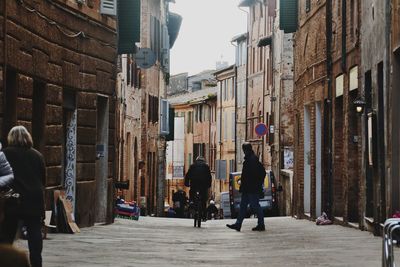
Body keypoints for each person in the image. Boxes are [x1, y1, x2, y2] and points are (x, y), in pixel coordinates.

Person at [0, 126, 46, 267]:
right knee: (34, 231)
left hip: (14, 199)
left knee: (7, 233)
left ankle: (5, 260)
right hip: (34, 199)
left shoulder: (5, 153)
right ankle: (36, 262)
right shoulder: (37, 155)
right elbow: (42, 179)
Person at [227, 143, 266, 232]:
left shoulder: (251, 160)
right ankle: (238, 224)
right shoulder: (251, 159)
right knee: (243, 206)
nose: (243, 151)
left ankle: (261, 224)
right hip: (248, 188)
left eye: (243, 149)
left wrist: (255, 183)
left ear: (245, 150)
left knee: (255, 206)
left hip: (251, 188)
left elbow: (254, 175)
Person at [184, 156, 212, 221]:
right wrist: (209, 185)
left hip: (194, 183)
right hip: (203, 184)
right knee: (203, 199)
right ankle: (204, 216)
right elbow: (209, 177)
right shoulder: (206, 166)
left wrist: (186, 183)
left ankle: (191, 201)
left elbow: (188, 175)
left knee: (191, 192)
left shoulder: (193, 166)